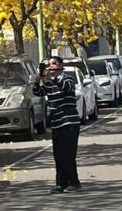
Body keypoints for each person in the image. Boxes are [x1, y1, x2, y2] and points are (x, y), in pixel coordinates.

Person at [33, 55, 81, 194]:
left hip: (69, 122)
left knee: (68, 154)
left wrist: (51, 78)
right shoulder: (48, 83)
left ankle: (67, 183)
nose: (51, 66)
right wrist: (38, 81)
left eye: (54, 64)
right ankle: (68, 183)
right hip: (57, 123)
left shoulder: (67, 79)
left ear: (61, 65)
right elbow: (38, 93)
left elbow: (66, 87)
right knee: (58, 155)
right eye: (49, 65)